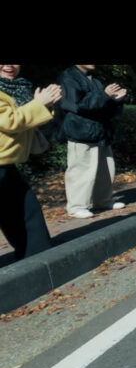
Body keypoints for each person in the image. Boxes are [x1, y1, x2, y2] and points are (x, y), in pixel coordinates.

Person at [0, 65, 61, 259]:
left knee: (26, 210)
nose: (9, 66)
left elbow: (28, 120)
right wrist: (39, 104)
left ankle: (39, 257)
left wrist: (45, 105)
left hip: (7, 164)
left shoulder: (18, 88)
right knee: (20, 209)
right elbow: (10, 121)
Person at [58, 65, 128, 219]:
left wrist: (116, 100)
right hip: (81, 132)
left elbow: (102, 107)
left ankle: (102, 201)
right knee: (81, 170)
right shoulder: (68, 77)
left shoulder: (95, 79)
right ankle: (77, 206)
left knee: (105, 170)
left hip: (100, 132)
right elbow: (77, 106)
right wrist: (104, 94)